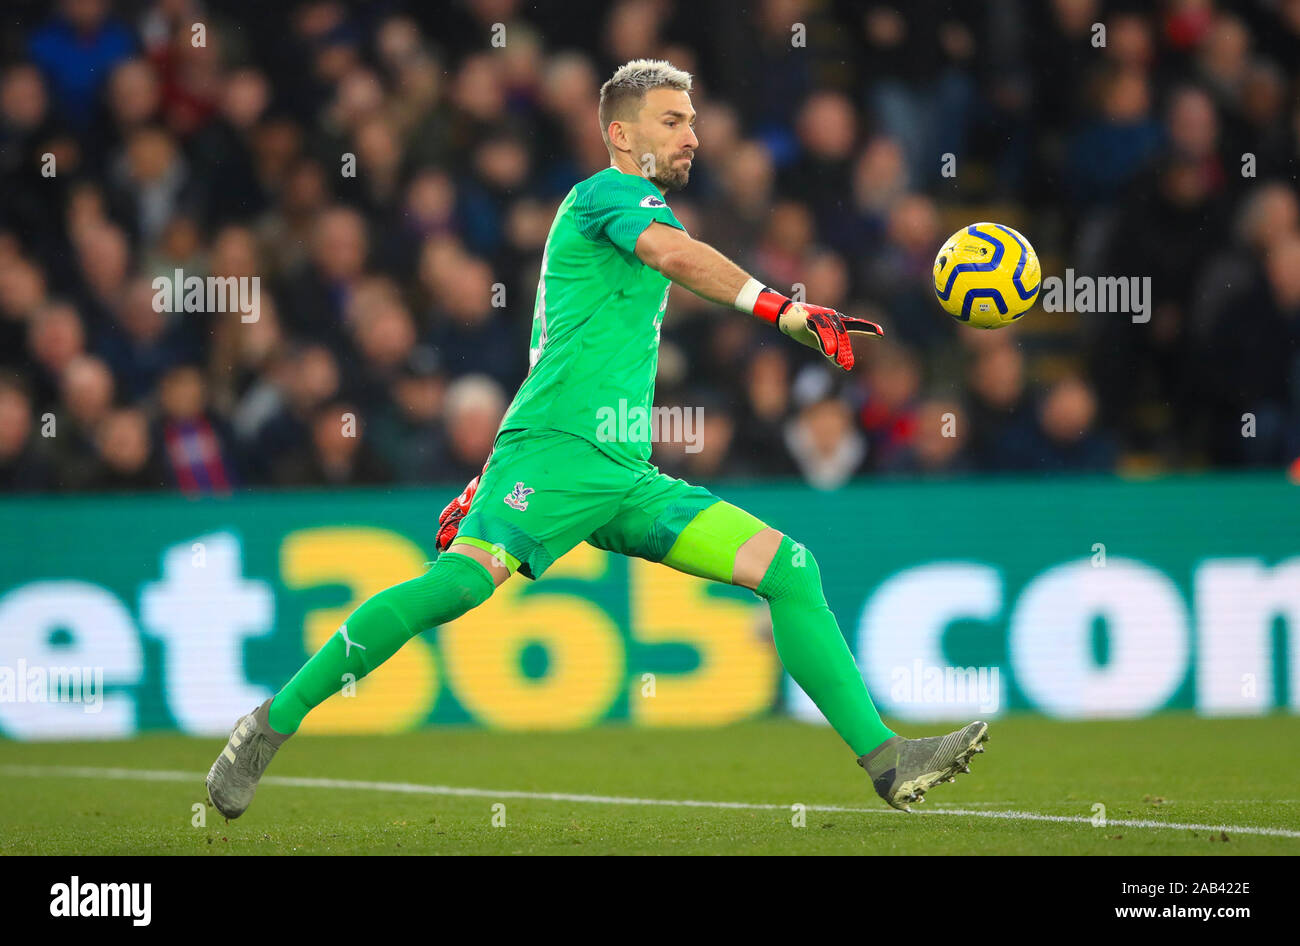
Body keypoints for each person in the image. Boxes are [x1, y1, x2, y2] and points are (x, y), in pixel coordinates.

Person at [206, 60, 988, 820]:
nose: (693, 136)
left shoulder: (632, 205)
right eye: (673, 121)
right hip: (554, 453)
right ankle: (271, 723)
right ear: (619, 131)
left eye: (694, 121)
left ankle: (888, 762)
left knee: (788, 569)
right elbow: (673, 257)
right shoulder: (608, 194)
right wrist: (783, 309)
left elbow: (566, 346)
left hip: (621, 469)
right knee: (459, 588)